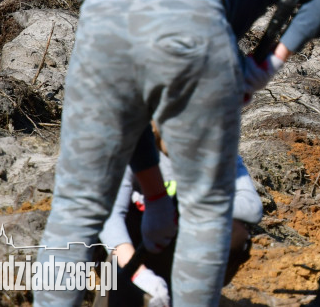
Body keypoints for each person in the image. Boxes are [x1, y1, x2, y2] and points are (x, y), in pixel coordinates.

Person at [36, 0, 320, 307]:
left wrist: (154, 198)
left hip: (102, 10)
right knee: (205, 208)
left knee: (75, 205)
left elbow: (132, 117)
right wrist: (272, 62)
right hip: (190, 14)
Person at [97, 124, 263, 307]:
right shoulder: (131, 145)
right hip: (123, 247)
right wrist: (139, 274)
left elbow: (252, 207)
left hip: (176, 243)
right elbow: (109, 216)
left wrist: (192, 208)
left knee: (235, 233)